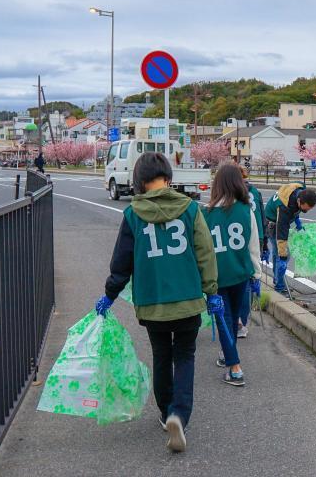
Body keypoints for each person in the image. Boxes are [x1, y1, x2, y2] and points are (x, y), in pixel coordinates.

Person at [94, 152, 219, 453]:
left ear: (138, 181)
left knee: (162, 354)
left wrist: (109, 295)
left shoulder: (132, 215)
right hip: (188, 300)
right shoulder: (190, 209)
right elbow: (205, 253)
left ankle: (165, 413)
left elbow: (121, 264)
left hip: (152, 303)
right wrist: (212, 292)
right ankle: (179, 413)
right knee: (185, 355)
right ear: (168, 176)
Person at [201, 163, 262, 386]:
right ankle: (228, 356)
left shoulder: (205, 213)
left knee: (224, 320)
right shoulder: (247, 210)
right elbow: (253, 246)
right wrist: (257, 276)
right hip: (240, 274)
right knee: (232, 318)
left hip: (215, 277)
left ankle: (234, 367)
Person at [263, 182, 316, 295]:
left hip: (275, 221)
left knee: (277, 253)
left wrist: (298, 223)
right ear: (299, 201)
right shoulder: (285, 207)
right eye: (306, 208)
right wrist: (283, 257)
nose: (307, 211)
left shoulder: (300, 191)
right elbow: (281, 235)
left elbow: (296, 210)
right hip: (272, 225)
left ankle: (277, 280)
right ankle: (280, 286)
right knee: (282, 254)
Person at [237, 165, 266, 338]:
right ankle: (243, 320)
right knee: (250, 278)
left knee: (240, 278)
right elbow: (261, 214)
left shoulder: (234, 192)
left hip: (241, 237)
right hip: (257, 236)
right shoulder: (255, 191)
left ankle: (238, 321)